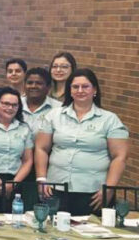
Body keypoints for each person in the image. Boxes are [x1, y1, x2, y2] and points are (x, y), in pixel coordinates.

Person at [35, 69, 129, 215]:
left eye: (85, 86)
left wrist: (109, 188)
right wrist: (41, 179)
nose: (80, 90)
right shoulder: (54, 116)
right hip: (55, 187)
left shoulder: (110, 119)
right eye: (75, 87)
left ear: (95, 90)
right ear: (70, 91)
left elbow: (120, 157)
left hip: (92, 192)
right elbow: (41, 148)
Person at [21, 67, 60, 132]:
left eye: (39, 83)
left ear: (48, 87)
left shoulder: (58, 108)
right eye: (30, 83)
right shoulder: (14, 105)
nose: (33, 86)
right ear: (24, 85)